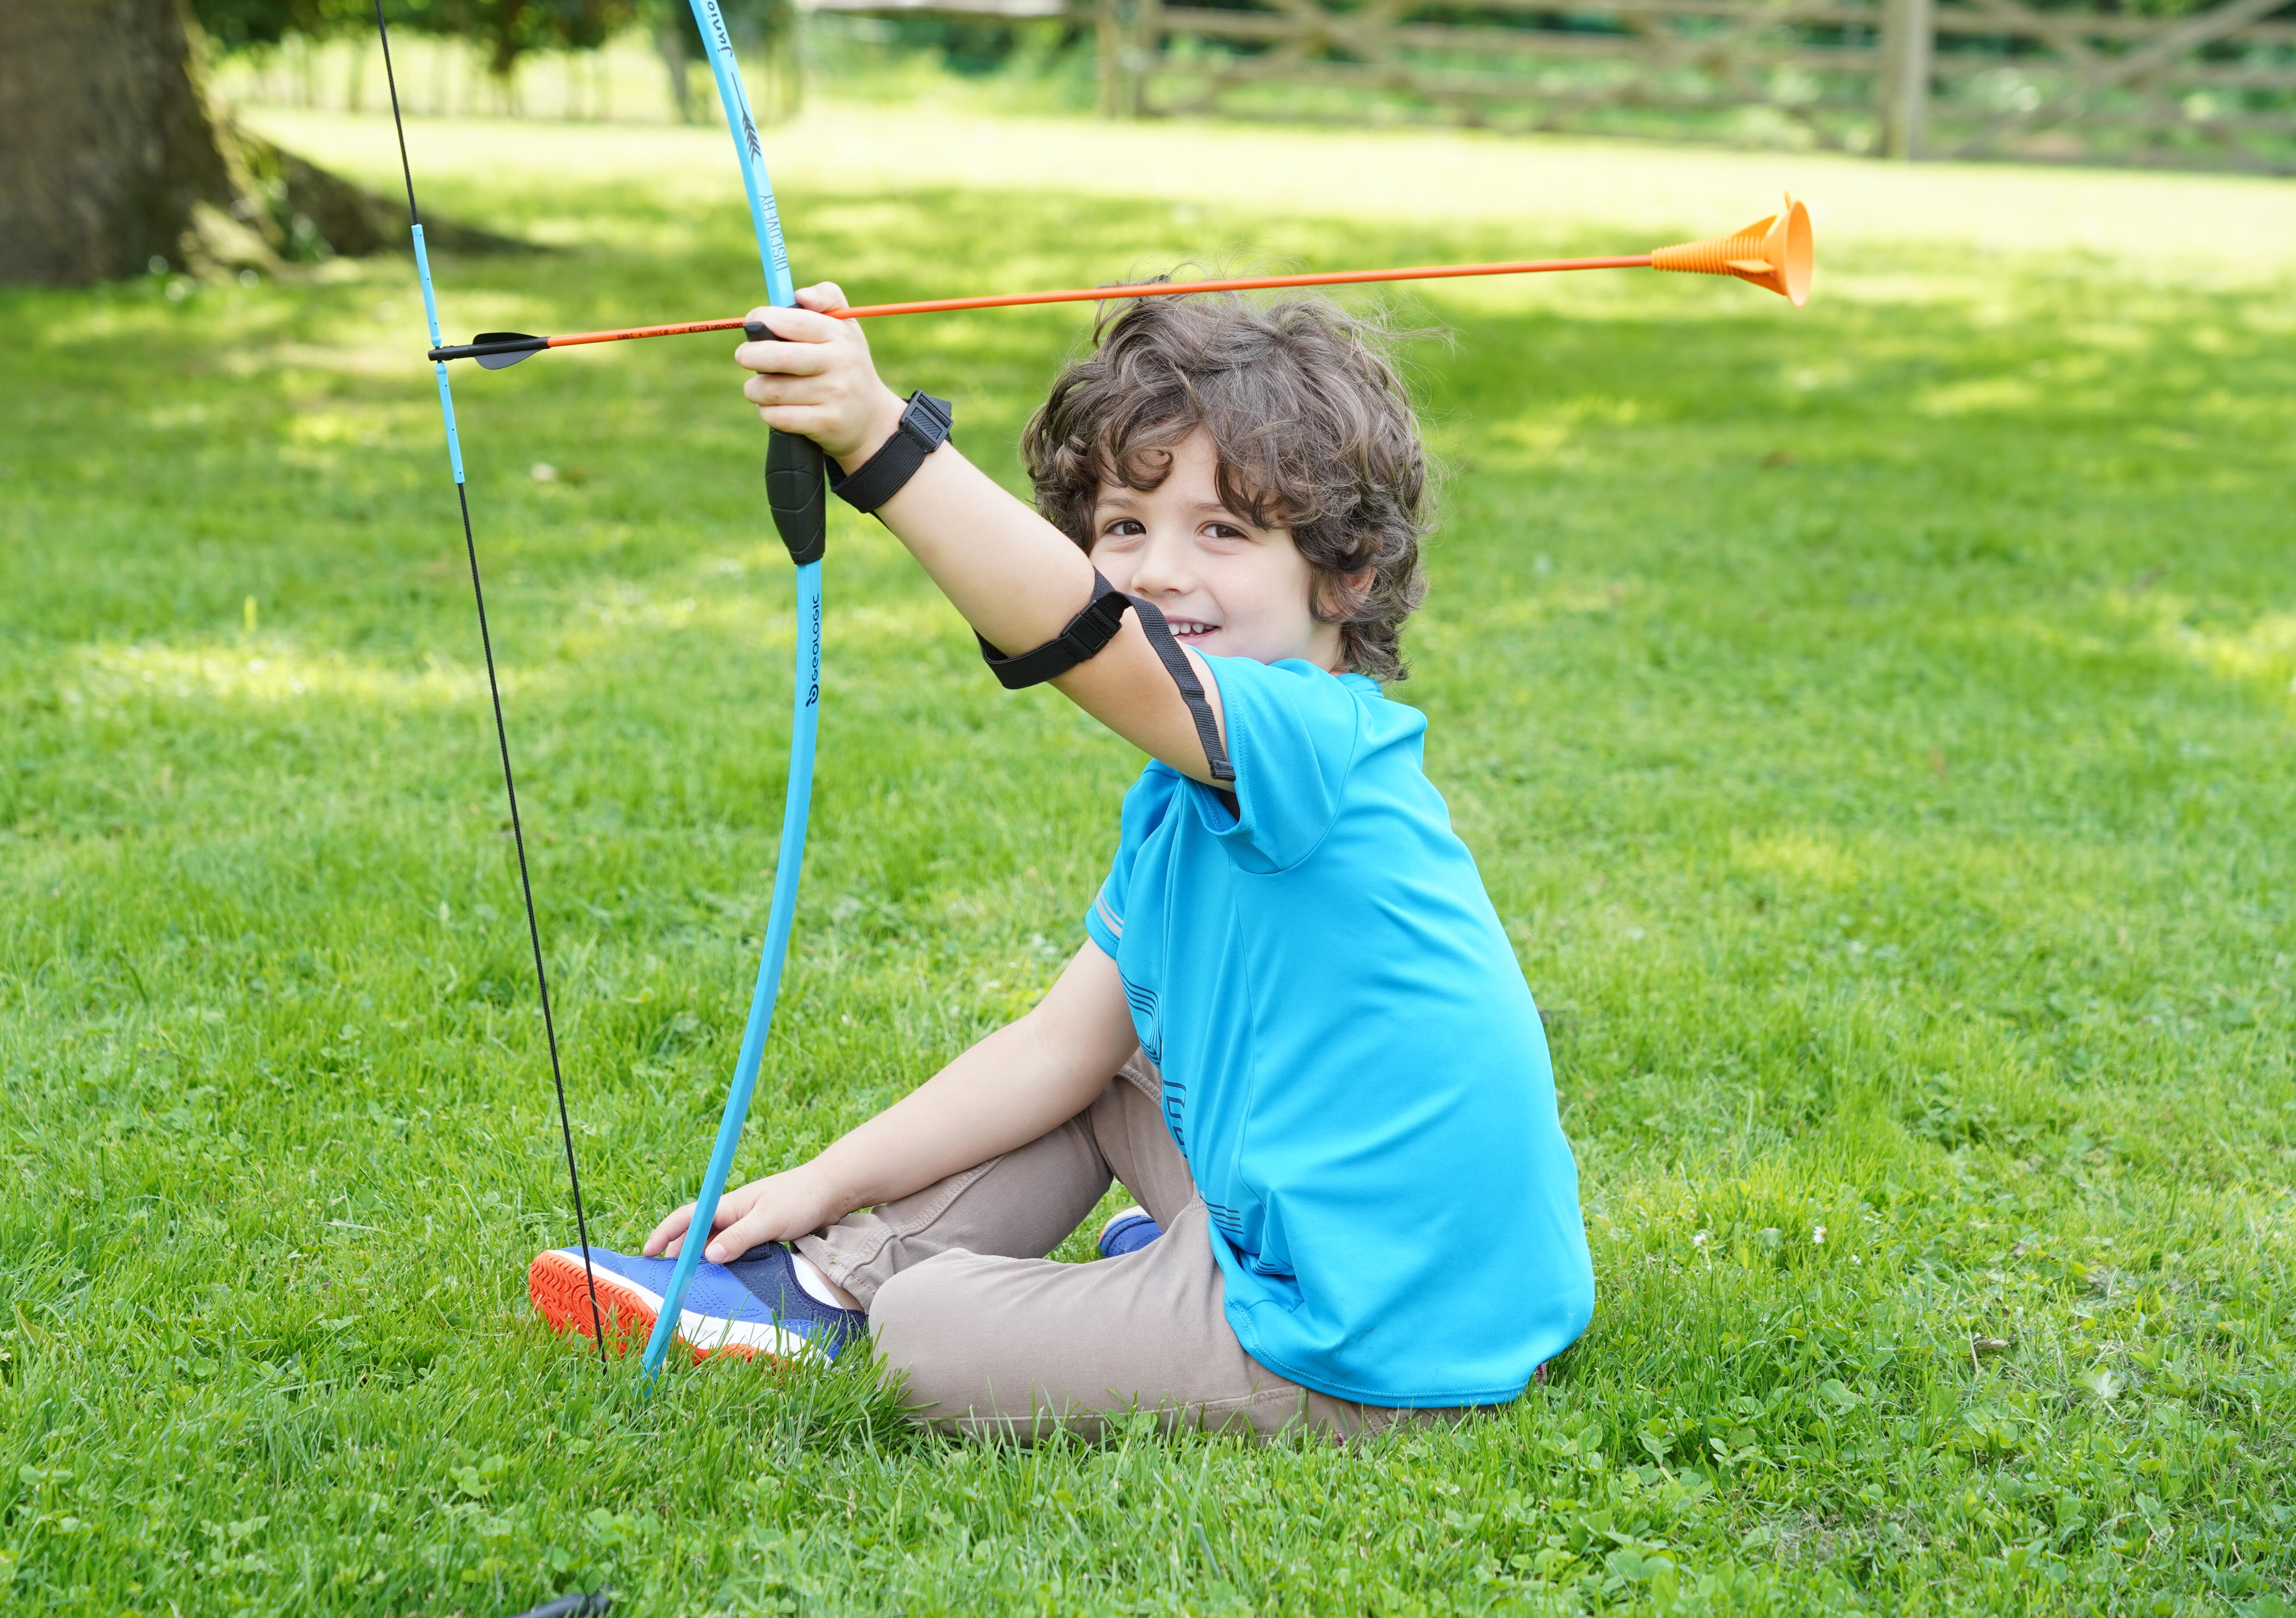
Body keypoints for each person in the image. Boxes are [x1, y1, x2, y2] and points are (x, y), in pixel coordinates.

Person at [528, 280, 1593, 1442]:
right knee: (1112, 1069)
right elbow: (1058, 1051)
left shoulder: (1307, 734)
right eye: (1125, 527)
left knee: (932, 1329)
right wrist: (820, 1186)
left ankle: (1066, 1291)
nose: (1158, 570)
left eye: (1223, 531)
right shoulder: (1186, 799)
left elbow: (1091, 639)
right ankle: (818, 1287)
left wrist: (880, 440)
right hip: (1358, 1251)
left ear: (1349, 573)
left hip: (1369, 1338)